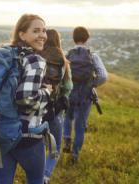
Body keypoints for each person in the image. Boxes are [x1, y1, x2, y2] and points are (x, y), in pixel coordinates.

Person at [0, 14, 52, 184]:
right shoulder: (35, 60)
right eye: (36, 31)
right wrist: (46, 92)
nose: (42, 35)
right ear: (22, 34)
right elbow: (25, 98)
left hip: (2, 132)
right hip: (28, 136)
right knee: (35, 180)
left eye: (44, 30)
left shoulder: (4, 54)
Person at [63, 26, 107, 164]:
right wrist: (91, 84)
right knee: (80, 125)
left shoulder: (67, 54)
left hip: (69, 91)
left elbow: (61, 74)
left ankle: (66, 141)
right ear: (87, 39)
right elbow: (103, 76)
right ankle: (75, 155)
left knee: (67, 118)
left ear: (73, 38)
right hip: (85, 94)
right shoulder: (93, 56)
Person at [40, 29, 73, 184]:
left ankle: (35, 174)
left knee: (37, 144)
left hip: (35, 108)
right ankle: (45, 176)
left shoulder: (36, 55)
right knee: (55, 147)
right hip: (54, 109)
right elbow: (68, 87)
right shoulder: (62, 60)